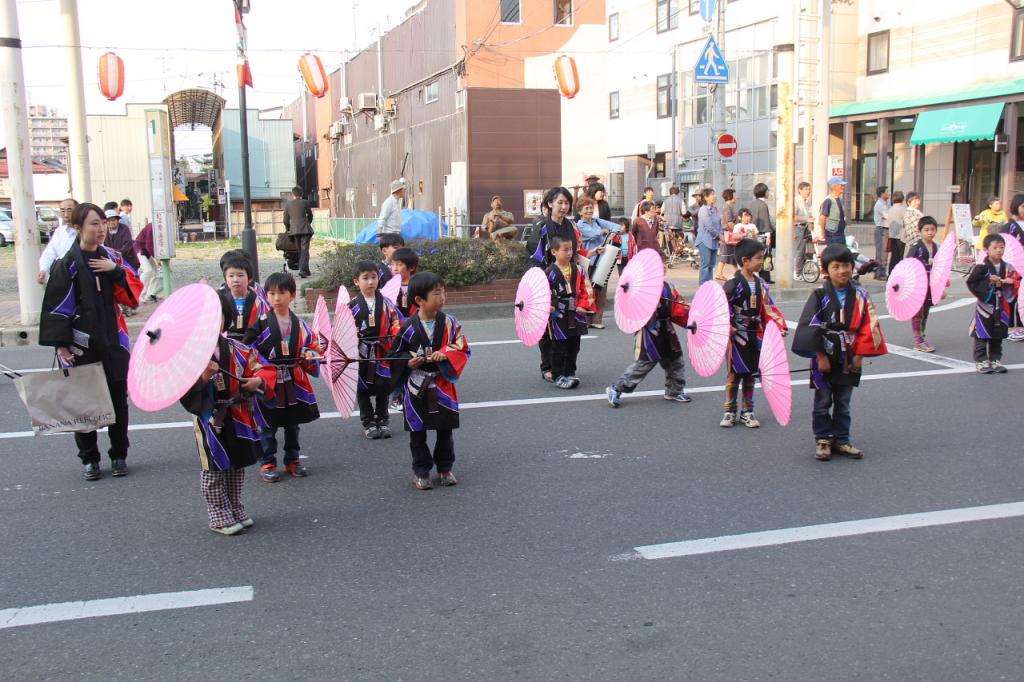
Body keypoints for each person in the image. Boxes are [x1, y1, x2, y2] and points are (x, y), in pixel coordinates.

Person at [39, 202, 143, 480]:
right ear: (77, 228)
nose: (101, 229)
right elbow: (56, 307)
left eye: (102, 223)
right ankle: (90, 458)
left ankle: (119, 454)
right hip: (80, 343)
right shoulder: (67, 264)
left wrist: (115, 271)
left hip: (113, 340)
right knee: (82, 402)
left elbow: (132, 297)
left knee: (118, 400)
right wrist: (61, 344)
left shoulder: (112, 257)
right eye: (93, 224)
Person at [792, 244, 888, 461]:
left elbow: (868, 326)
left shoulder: (861, 295)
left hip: (850, 356)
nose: (842, 270)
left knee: (843, 402)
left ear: (852, 267)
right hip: (824, 353)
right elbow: (810, 325)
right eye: (836, 266)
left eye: (846, 265)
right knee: (823, 401)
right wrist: (821, 357)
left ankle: (842, 440)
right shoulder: (818, 295)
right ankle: (823, 440)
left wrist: (859, 356)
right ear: (826, 270)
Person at [180, 325, 276, 535]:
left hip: (237, 412)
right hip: (209, 417)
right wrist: (204, 376)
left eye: (217, 316)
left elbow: (263, 367)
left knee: (238, 462)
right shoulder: (190, 354)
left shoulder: (236, 348)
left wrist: (258, 380)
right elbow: (183, 389)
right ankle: (217, 513)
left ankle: (234, 506)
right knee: (214, 465)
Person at [391, 272, 471, 490]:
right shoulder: (407, 327)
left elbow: (462, 346)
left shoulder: (450, 323)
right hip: (417, 387)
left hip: (442, 384)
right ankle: (421, 471)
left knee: (445, 429)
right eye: (437, 293)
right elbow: (395, 355)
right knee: (417, 432)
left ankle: (445, 468)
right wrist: (408, 362)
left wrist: (446, 352)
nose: (443, 296)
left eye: (443, 291)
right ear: (419, 300)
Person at [252, 272, 321, 482]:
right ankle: (267, 461)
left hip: (293, 378)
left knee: (293, 423)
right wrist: (260, 366)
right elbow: (249, 348)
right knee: (268, 425)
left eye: (282, 293)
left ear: (292, 295)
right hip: (270, 379)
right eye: (271, 293)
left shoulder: (299, 324)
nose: (276, 298)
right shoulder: (261, 323)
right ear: (266, 296)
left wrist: (309, 353)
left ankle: (292, 459)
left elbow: (313, 344)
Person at [719, 238, 787, 429]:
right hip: (736, 336)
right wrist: (728, 325)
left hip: (755, 335)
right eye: (758, 258)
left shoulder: (762, 285)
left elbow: (769, 309)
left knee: (750, 374)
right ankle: (729, 411)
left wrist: (778, 326)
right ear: (745, 260)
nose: (761, 262)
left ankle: (748, 411)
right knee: (734, 373)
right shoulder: (732, 285)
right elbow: (722, 309)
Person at [605, 281, 691, 407]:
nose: (663, 268)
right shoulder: (638, 288)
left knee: (676, 360)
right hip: (649, 329)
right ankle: (616, 388)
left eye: (663, 264)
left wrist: (688, 313)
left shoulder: (668, 286)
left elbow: (677, 307)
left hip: (667, 328)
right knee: (644, 363)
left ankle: (674, 391)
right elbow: (632, 309)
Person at [532, 187, 585, 382]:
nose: (563, 207)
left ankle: (566, 367)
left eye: (566, 203)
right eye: (559, 202)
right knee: (548, 329)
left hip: (569, 280)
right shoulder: (542, 227)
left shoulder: (570, 227)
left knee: (569, 327)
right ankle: (547, 367)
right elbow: (534, 257)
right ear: (549, 204)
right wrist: (540, 285)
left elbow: (574, 252)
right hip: (548, 281)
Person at [350, 259, 403, 439]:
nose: (371, 282)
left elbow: (396, 322)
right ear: (356, 281)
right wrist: (352, 335)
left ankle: (383, 420)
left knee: (383, 387)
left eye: (374, 277)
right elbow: (344, 328)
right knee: (362, 388)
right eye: (365, 278)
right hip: (361, 353)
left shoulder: (387, 303)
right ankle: (368, 422)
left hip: (383, 350)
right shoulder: (351, 306)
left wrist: (394, 333)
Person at [545, 235, 595, 389]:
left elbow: (587, 290)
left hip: (576, 311)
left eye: (571, 249)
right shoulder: (549, 272)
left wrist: (584, 306)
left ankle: (570, 372)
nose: (569, 253)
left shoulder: (579, 269)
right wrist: (550, 306)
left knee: (575, 344)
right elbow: (544, 293)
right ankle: (558, 375)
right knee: (558, 345)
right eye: (565, 250)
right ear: (554, 252)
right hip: (558, 314)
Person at [966, 234, 1019, 373]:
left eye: (1002, 247)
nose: (999, 250)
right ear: (986, 249)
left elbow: (1017, 280)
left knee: (998, 334)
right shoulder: (981, 268)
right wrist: (989, 282)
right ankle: (981, 360)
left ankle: (995, 359)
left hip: (1002, 306)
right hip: (985, 306)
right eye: (995, 247)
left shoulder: (1008, 267)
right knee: (982, 333)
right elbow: (972, 283)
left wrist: (1011, 282)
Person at [576, 197, 617, 329]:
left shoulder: (598, 221)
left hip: (602, 261)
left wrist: (612, 233)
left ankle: (597, 320)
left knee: (601, 291)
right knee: (588, 291)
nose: (589, 210)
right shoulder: (580, 225)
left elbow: (616, 226)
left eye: (591, 207)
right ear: (580, 211)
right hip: (588, 261)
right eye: (586, 208)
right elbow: (592, 235)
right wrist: (604, 232)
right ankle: (585, 320)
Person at [906, 216, 940, 353]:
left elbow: (938, 266)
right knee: (917, 313)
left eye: (932, 229)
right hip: (917, 284)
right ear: (919, 231)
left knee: (926, 311)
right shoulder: (916, 247)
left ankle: (922, 336)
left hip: (930, 284)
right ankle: (918, 340)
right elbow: (907, 265)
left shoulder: (936, 247)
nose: (930, 232)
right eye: (926, 230)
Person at [218, 253, 268, 344]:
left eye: (240, 275)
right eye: (231, 276)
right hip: (225, 345)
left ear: (249, 278)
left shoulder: (258, 302)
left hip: (252, 346)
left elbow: (265, 327)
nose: (235, 280)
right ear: (225, 279)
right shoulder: (220, 300)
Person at [37, 198, 79, 284]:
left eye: (70, 210)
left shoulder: (86, 231)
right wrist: (43, 270)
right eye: (62, 211)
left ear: (78, 211)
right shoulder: (59, 232)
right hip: (62, 278)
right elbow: (49, 253)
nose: (66, 215)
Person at [1004, 193, 1024, 341]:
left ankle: (1021, 325)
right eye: (1023, 206)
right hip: (1013, 267)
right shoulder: (1009, 226)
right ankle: (1012, 327)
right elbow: (1004, 247)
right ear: (1016, 207)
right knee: (1012, 297)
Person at [283, 187, 314, 278]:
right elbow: (310, 216)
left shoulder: (288, 204)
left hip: (294, 230)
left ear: (293, 194)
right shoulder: (305, 202)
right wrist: (307, 223)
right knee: (304, 250)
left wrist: (288, 228)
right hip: (305, 229)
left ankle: (305, 270)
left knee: (300, 250)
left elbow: (285, 220)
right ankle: (303, 270)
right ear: (302, 194)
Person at [695, 188, 722, 285]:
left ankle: (709, 284)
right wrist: (720, 236)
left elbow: (719, 224)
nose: (714, 196)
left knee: (711, 265)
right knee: (705, 264)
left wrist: (721, 235)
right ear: (706, 197)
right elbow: (709, 226)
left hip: (714, 241)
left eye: (714, 194)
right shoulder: (703, 210)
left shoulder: (715, 209)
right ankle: (703, 286)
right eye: (712, 194)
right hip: (704, 240)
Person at [751, 182, 776, 283]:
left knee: (758, 256)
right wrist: (768, 234)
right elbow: (766, 221)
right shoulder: (763, 205)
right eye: (767, 191)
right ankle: (766, 278)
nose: (768, 193)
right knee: (766, 256)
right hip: (763, 233)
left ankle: (762, 277)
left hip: (754, 234)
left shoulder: (752, 204)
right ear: (764, 192)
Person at [103, 207, 139, 271]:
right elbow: (105, 246)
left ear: (117, 220)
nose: (111, 222)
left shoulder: (124, 228)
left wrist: (118, 253)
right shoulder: (105, 231)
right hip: (114, 262)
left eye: (113, 220)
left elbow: (128, 243)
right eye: (108, 220)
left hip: (128, 260)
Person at [133, 221, 160, 303]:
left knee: (155, 272)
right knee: (148, 271)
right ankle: (138, 294)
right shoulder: (151, 227)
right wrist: (157, 258)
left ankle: (150, 294)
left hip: (147, 252)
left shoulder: (159, 226)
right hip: (140, 249)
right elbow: (149, 245)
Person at [390, 247, 420, 317]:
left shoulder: (418, 286)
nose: (394, 269)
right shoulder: (390, 287)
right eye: (392, 264)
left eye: (399, 264)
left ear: (411, 267)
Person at [818, 178, 848, 247]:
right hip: (832, 234)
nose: (843, 187)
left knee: (842, 253)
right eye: (841, 185)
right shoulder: (828, 200)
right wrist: (822, 230)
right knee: (834, 253)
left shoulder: (840, 200)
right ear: (834, 187)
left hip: (841, 232)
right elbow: (822, 217)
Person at [793, 182, 814, 281]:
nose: (808, 191)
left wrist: (811, 225)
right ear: (800, 190)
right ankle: (797, 273)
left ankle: (801, 271)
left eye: (809, 189)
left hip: (806, 229)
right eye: (806, 189)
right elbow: (793, 217)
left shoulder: (807, 202)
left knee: (807, 251)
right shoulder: (796, 201)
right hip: (798, 228)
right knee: (799, 251)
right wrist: (806, 219)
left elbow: (809, 216)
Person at [716, 188, 738, 280]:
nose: (736, 197)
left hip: (727, 233)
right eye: (735, 195)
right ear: (730, 197)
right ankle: (719, 273)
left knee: (731, 254)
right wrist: (737, 231)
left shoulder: (728, 207)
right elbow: (729, 223)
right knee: (725, 254)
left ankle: (737, 273)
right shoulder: (727, 208)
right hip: (727, 234)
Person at [872, 186, 891, 279]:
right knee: (881, 253)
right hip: (881, 230)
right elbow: (888, 216)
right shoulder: (880, 204)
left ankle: (878, 273)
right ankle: (880, 274)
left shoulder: (886, 203)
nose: (889, 193)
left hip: (885, 229)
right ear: (882, 194)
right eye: (887, 192)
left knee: (884, 252)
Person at [885, 191, 907, 272]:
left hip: (892, 235)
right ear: (902, 199)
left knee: (893, 256)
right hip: (900, 236)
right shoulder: (903, 210)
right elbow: (906, 222)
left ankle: (890, 272)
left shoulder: (890, 209)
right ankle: (897, 273)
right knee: (899, 257)